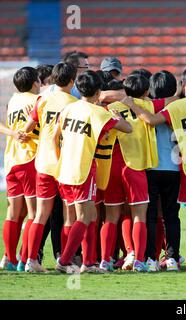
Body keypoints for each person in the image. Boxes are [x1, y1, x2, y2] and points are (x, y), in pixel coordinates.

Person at [125, 66, 186, 272]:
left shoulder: (174, 108)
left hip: (182, 167)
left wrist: (131, 104)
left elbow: (152, 120)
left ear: (183, 84)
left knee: (182, 215)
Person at [54, 70, 132, 273]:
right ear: (98, 92)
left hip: (64, 169)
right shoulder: (99, 113)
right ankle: (65, 261)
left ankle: (88, 262)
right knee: (86, 216)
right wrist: (115, 115)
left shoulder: (69, 109)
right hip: (83, 169)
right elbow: (127, 128)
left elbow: (58, 135)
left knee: (78, 217)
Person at [97, 74, 158, 272]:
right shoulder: (147, 107)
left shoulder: (109, 108)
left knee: (111, 217)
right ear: (146, 92)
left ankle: (105, 261)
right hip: (135, 166)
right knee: (139, 216)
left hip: (113, 166)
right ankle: (139, 261)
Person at [22, 63, 79, 272]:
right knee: (68, 215)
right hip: (65, 165)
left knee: (40, 215)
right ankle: (64, 261)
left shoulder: (42, 99)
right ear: (72, 81)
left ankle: (31, 261)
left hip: (44, 163)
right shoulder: (75, 103)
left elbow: (28, 127)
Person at [0, 67, 40, 271]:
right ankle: (25, 260)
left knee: (13, 212)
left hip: (11, 160)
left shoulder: (14, 99)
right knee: (34, 213)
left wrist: (13, 133)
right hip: (30, 159)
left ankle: (8, 258)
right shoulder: (37, 101)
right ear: (35, 83)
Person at [145, 70, 182, 271]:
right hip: (173, 167)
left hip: (151, 166)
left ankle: (150, 258)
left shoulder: (145, 106)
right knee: (171, 215)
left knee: (150, 215)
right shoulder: (178, 107)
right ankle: (172, 257)